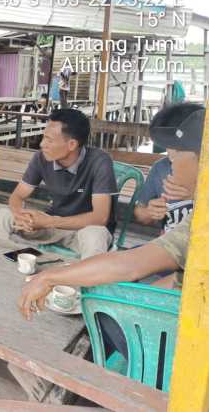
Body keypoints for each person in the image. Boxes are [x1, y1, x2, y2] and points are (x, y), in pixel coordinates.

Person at [18, 103, 206, 322]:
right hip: (175, 273)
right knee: (121, 302)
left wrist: (49, 277)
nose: (170, 166)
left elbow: (129, 264)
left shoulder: (98, 161)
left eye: (173, 158)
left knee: (111, 317)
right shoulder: (41, 160)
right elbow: (173, 277)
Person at [0, 109, 116, 259]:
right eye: (44, 138)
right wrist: (20, 215)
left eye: (49, 140)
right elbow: (17, 196)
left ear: (72, 144)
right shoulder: (41, 158)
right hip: (51, 226)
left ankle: (85, 280)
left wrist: (49, 221)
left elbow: (100, 218)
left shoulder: (100, 162)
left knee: (95, 235)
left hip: (83, 230)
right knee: (4, 216)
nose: (42, 144)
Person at [133, 104, 201, 233]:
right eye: (166, 144)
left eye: (179, 148)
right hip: (169, 244)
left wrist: (194, 195)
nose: (170, 151)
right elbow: (139, 213)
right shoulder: (161, 168)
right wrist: (149, 212)